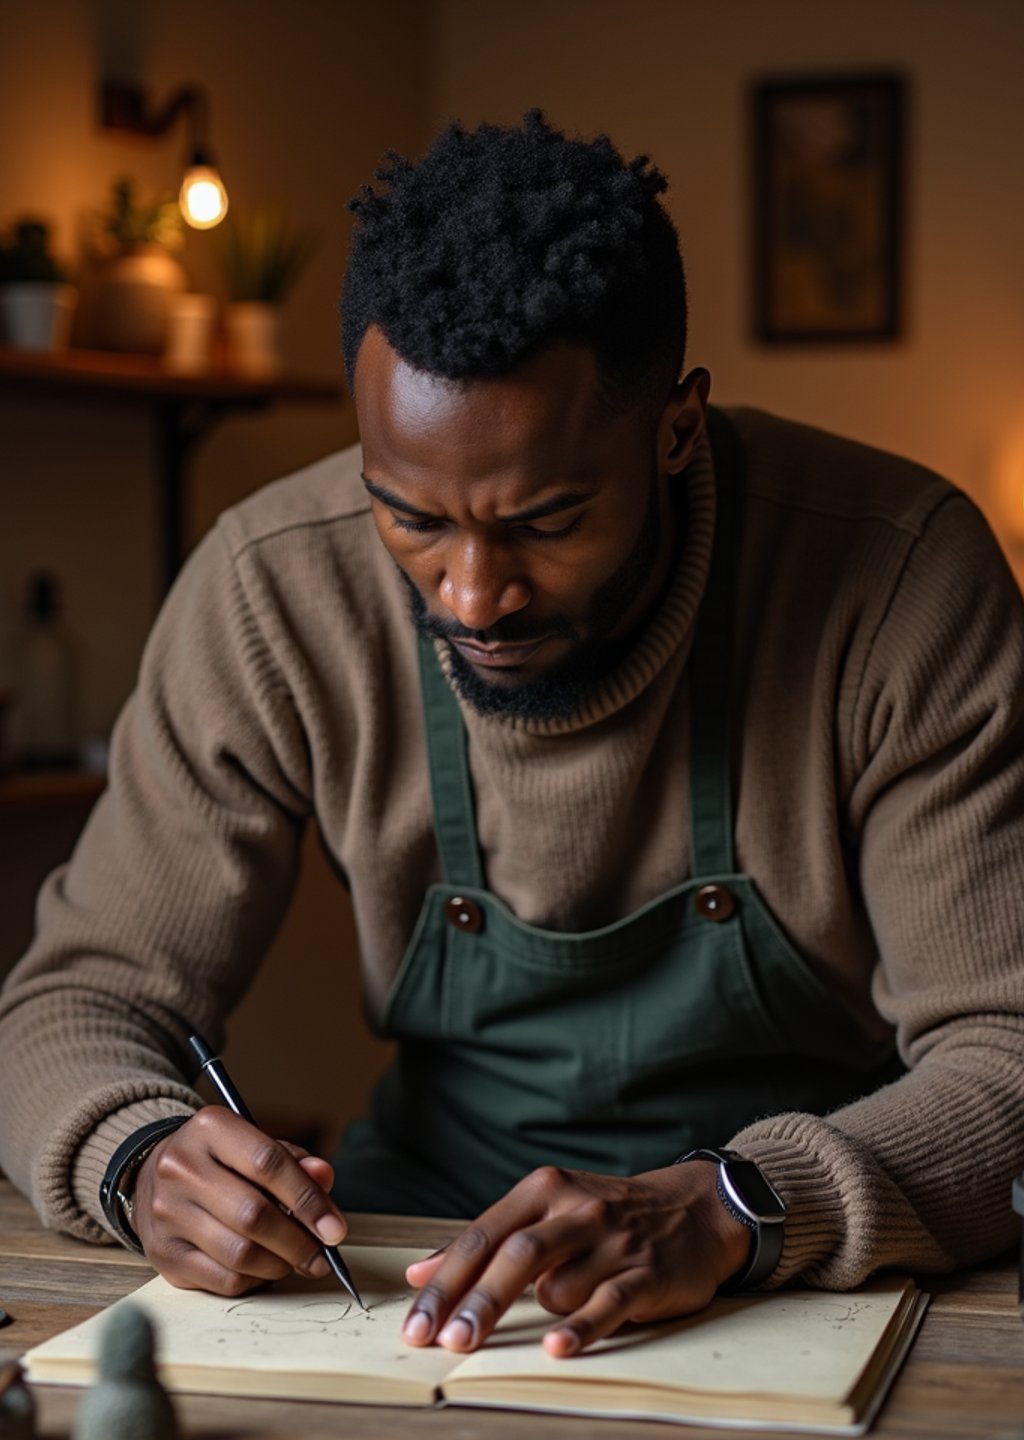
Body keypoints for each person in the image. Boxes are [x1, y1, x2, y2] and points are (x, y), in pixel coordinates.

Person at [2, 110, 1023, 1363]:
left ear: (676, 431)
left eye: (546, 521)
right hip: (422, 1252)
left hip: (802, 1272)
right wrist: (135, 1153)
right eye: (410, 517)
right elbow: (75, 1000)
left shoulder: (898, 578)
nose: (471, 595)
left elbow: (1008, 1050)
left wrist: (737, 1204)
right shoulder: (272, 589)